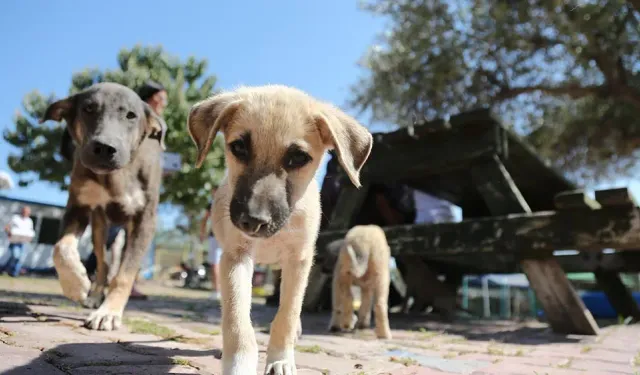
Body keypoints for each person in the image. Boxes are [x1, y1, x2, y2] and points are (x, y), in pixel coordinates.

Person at [200, 186, 222, 300]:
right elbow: (204, 220)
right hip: (220, 236)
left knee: (216, 264)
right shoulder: (213, 204)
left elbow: (204, 220)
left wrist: (202, 233)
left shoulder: (213, 204)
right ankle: (218, 290)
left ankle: (217, 290)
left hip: (219, 237)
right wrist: (202, 233)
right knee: (217, 264)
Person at [2, 206, 35, 277]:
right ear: (22, 211)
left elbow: (31, 231)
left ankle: (14, 273)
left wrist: (30, 237)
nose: (26, 213)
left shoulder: (29, 221)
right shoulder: (15, 218)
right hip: (14, 241)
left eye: (27, 212)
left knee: (20, 258)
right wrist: (9, 233)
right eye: (25, 211)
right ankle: (6, 269)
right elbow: (7, 227)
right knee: (15, 256)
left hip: (24, 242)